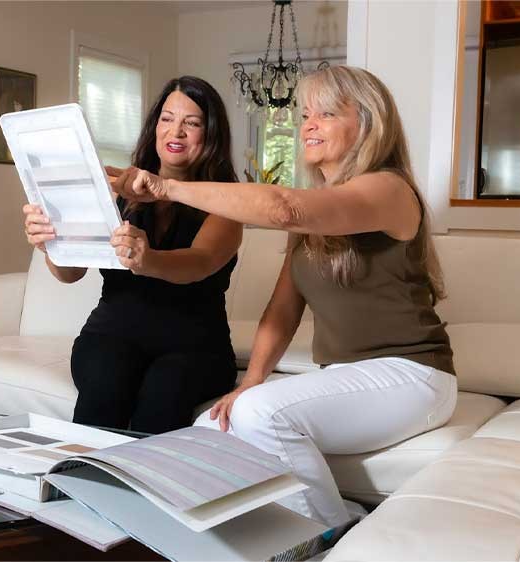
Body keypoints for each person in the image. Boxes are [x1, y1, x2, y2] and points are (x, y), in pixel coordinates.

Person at [110, 65, 457, 528]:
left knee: (260, 415)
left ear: (369, 123)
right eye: (305, 114)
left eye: (326, 114)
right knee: (211, 427)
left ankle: (330, 537)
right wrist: (250, 381)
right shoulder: (317, 215)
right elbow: (283, 309)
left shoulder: (388, 188)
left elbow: (283, 207)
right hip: (350, 376)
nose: (308, 124)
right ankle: (304, 525)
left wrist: (166, 186)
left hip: (414, 377)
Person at [23, 76, 242, 435]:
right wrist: (51, 244)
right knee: (106, 384)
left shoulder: (225, 201)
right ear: (155, 127)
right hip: (111, 336)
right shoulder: (119, 191)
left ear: (211, 134)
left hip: (194, 349)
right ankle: (77, 485)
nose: (176, 132)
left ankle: (140, 490)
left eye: (192, 123)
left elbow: (200, 263)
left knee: (163, 393)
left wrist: (147, 258)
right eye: (167, 119)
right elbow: (70, 273)